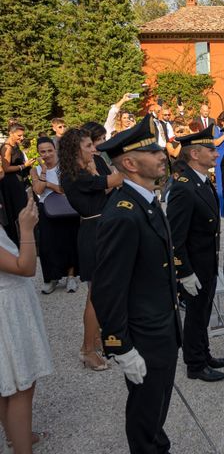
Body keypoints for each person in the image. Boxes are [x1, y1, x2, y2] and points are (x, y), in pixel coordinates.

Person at [92, 115, 182, 453]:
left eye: (160, 148)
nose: (162, 155)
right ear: (129, 163)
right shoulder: (124, 214)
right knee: (145, 411)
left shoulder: (146, 200)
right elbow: (107, 288)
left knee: (156, 405)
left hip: (161, 327)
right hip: (144, 334)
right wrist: (120, 346)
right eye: (152, 151)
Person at [166, 125, 224, 383]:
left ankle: (204, 354)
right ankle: (194, 364)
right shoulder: (183, 187)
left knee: (203, 312)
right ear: (194, 154)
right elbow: (175, 237)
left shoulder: (200, 181)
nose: (216, 154)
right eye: (210, 150)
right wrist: (184, 272)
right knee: (194, 315)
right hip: (194, 265)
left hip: (206, 262)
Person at [59, 128, 123, 371]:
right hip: (94, 234)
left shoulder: (87, 169)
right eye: (88, 146)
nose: (93, 149)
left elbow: (106, 188)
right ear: (76, 150)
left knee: (101, 293)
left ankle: (97, 341)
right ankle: (87, 350)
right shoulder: (74, 175)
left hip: (102, 229)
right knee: (96, 296)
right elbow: (115, 180)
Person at [0, 196, 53, 454]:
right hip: (7, 313)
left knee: (6, 382)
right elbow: (26, 266)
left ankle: (15, 436)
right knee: (22, 385)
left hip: (7, 307)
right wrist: (27, 229)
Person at [30, 137, 80, 294]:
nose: (46, 154)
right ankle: (52, 278)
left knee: (69, 242)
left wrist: (49, 184)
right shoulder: (35, 170)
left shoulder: (65, 167)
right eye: (42, 151)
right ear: (38, 153)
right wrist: (44, 169)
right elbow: (38, 190)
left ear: (55, 150)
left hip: (67, 208)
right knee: (47, 245)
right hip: (47, 210)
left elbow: (66, 189)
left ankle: (71, 277)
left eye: (49, 150)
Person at [0, 123, 33, 244]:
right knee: (18, 212)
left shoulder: (15, 146)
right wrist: (24, 165)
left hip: (19, 181)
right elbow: (6, 168)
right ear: (11, 133)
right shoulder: (7, 148)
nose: (22, 138)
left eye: (23, 135)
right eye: (19, 135)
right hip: (11, 184)